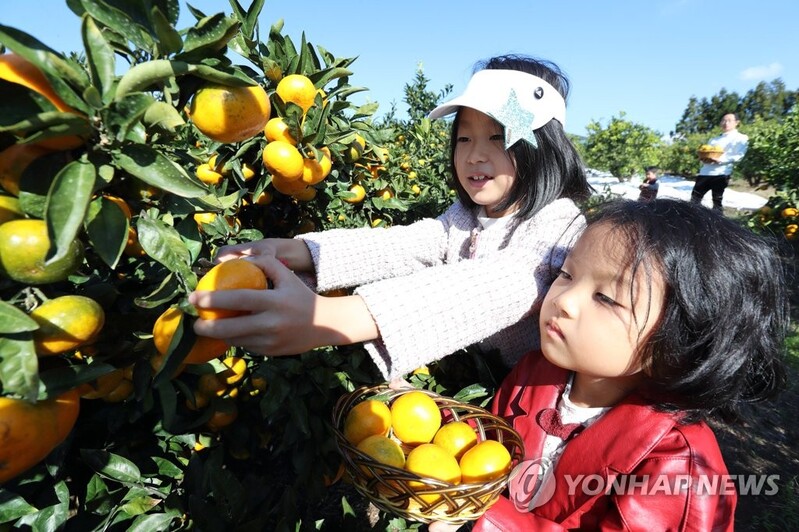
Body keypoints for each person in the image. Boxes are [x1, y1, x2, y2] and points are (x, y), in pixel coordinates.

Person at [188, 54, 592, 379]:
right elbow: (407, 243)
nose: (475, 155)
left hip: (529, 401)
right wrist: (300, 251)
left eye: (498, 137)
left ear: (544, 148)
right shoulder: (468, 216)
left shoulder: (559, 221)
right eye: (464, 137)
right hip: (469, 381)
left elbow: (511, 283)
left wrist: (333, 317)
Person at [450, 198, 788, 531]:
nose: (563, 300)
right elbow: (486, 448)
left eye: (607, 298)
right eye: (567, 274)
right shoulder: (532, 375)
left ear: (680, 343)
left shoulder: (675, 465)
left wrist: (483, 521)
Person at [690, 113, 748, 213]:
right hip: (705, 172)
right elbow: (707, 153)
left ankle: (718, 224)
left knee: (717, 200)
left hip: (721, 173)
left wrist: (721, 160)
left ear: (737, 123)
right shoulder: (714, 139)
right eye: (723, 120)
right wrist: (703, 158)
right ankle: (692, 221)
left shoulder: (741, 138)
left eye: (729, 120)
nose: (726, 123)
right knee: (694, 199)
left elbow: (739, 156)